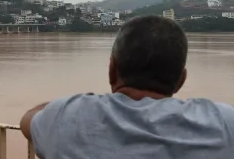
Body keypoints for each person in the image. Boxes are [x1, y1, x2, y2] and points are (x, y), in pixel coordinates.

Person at [20, 15, 234, 159]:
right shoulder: (224, 124)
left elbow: (27, 120)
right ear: (181, 80)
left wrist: (78, 105)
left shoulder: (65, 116)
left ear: (112, 69)